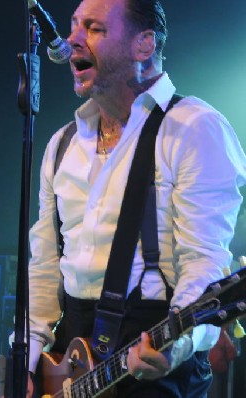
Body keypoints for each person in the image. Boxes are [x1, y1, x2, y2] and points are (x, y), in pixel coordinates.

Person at [26, 0, 246, 397]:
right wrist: (29, 358)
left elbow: (204, 261)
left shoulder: (195, 128)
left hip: (152, 344)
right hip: (70, 353)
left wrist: (175, 348)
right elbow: (44, 267)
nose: (72, 39)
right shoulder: (62, 145)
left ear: (143, 45)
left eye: (94, 28)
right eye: (75, 25)